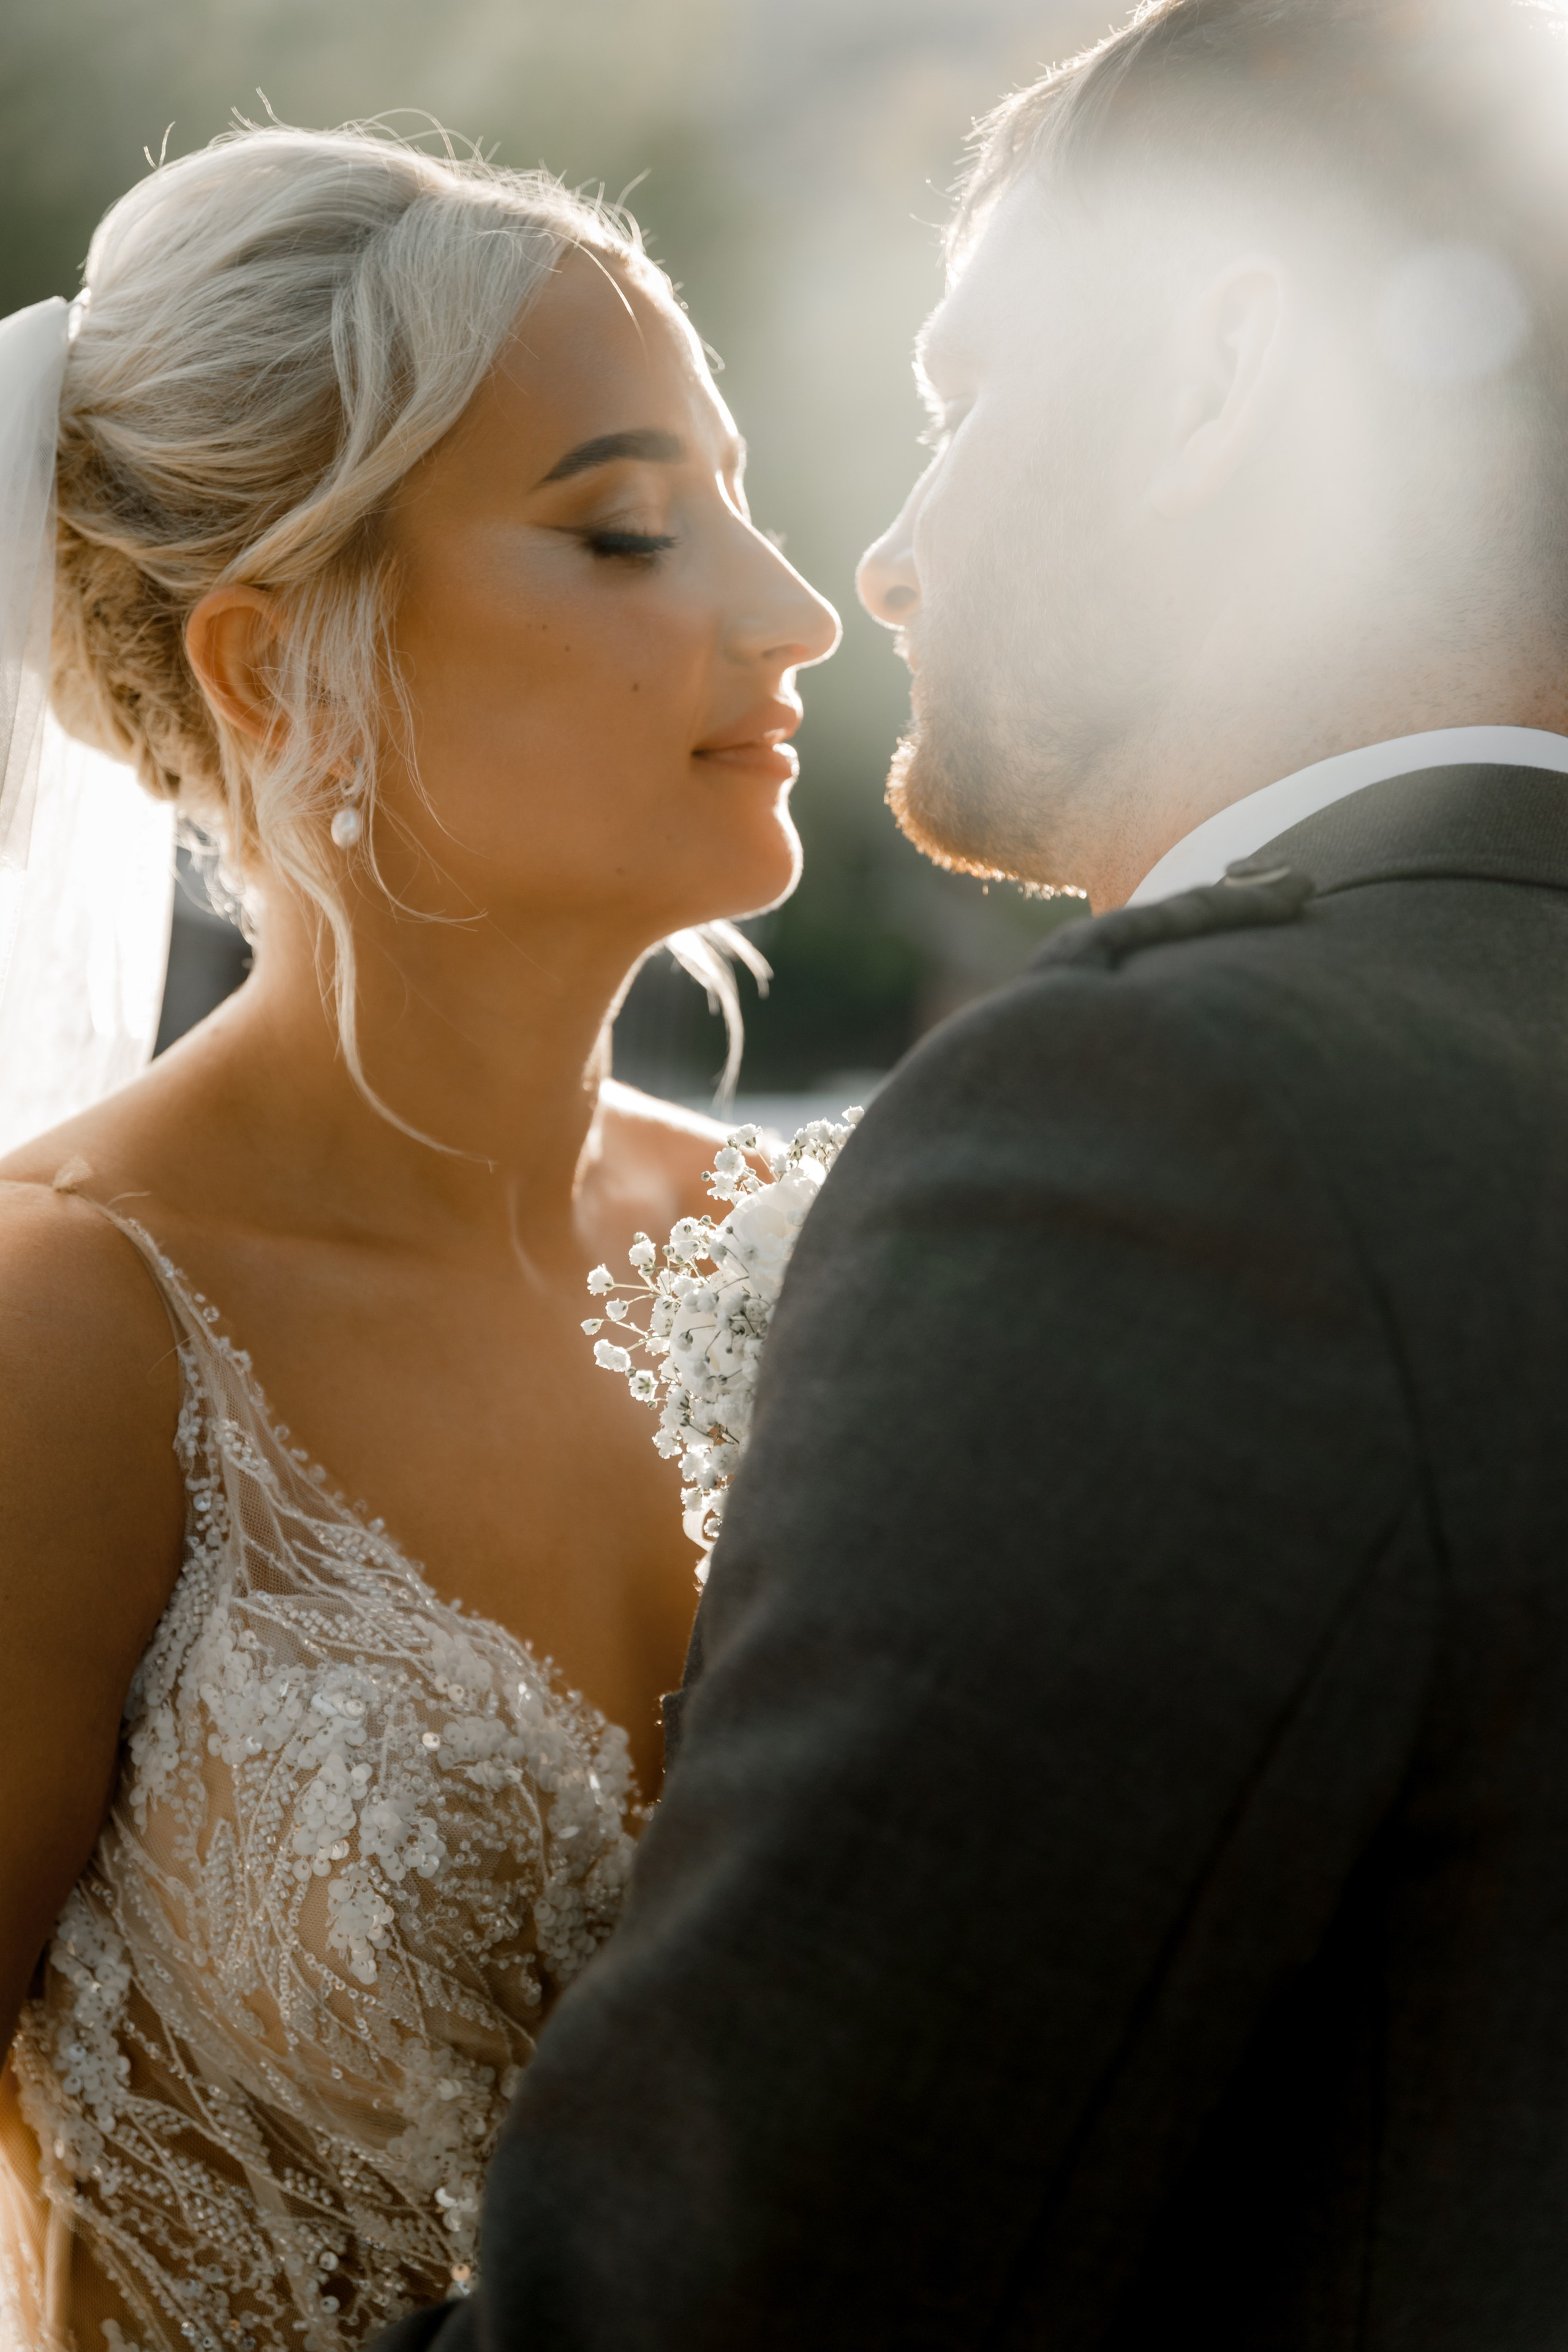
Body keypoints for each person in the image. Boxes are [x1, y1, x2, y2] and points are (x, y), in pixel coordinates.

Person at [374, 0, 1568, 2343]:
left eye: (959, 400)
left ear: (1223, 384)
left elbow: (736, 2294)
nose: (884, 568)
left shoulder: (1183, 1129)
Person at [0, 126, 837, 2352]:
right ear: (274, 666)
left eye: (744, 505)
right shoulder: (67, 1327)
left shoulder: (826, 1260)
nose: (790, 609)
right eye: (633, 527)